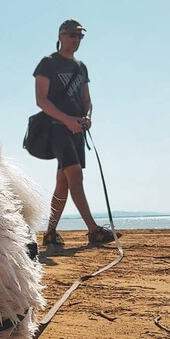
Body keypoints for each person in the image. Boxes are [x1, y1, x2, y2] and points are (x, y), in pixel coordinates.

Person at [33, 19, 119, 248]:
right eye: (72, 35)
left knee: (63, 183)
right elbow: (41, 100)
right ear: (61, 36)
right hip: (57, 128)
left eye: (80, 36)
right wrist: (67, 120)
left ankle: (50, 232)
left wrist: (87, 117)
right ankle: (93, 230)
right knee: (75, 175)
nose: (76, 39)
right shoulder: (48, 63)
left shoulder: (81, 67)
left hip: (77, 130)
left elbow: (87, 100)